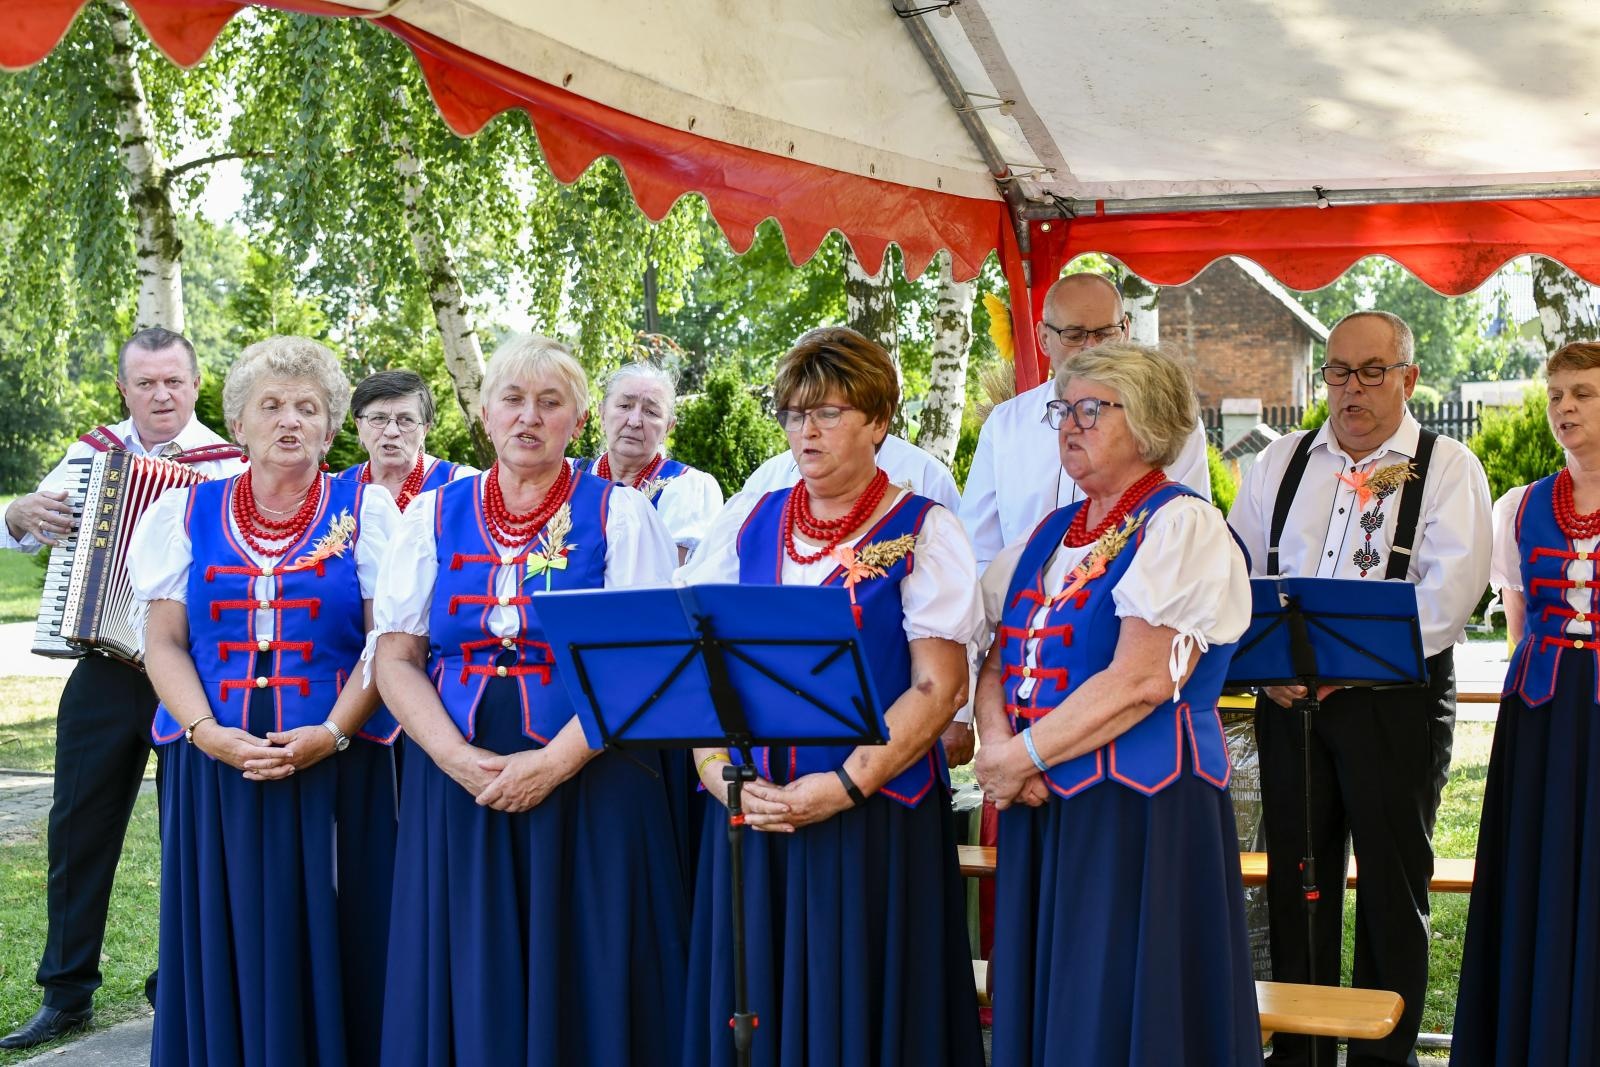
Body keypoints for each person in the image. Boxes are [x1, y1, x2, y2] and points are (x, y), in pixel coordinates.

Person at [374, 334, 685, 1066]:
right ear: (484, 414)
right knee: (468, 960)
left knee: (586, 961)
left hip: (590, 776)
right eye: (512, 399)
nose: (529, 417)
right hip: (460, 783)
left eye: (550, 403)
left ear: (579, 421)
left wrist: (554, 762)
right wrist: (453, 756)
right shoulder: (431, 516)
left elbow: (641, 663)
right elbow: (395, 656)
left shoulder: (620, 515)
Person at [680, 326, 984, 1067]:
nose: (804, 430)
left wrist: (844, 784)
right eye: (793, 413)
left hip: (872, 816)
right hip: (756, 810)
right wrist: (718, 774)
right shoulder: (748, 522)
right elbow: (696, 670)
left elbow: (938, 688)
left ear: (878, 421)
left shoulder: (925, 531)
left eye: (827, 412)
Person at [975, 341, 1260, 1065]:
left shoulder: (1183, 526)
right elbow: (992, 653)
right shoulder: (1047, 535)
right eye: (1063, 410)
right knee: (1057, 997)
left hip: (1143, 811)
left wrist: (1023, 755)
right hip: (1045, 804)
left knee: (1131, 1002)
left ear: (1151, 421)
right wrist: (1000, 749)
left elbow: (1141, 680)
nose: (1069, 425)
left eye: (1091, 410)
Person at [128, 335, 401, 1065]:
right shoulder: (186, 514)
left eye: (308, 408)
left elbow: (389, 645)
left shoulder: (369, 513)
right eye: (270, 406)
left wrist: (335, 732)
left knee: (339, 931)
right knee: (226, 928)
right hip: (216, 767)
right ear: (239, 425)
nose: (289, 420)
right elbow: (164, 643)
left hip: (337, 767)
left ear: (330, 427)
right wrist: (206, 730)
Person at [1228, 310, 1492, 1067]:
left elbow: (1448, 598)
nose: (1352, 388)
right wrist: (1268, 663)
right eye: (1338, 371)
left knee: (1389, 882)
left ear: (1408, 378)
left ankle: (1385, 1057)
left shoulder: (1448, 467)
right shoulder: (1279, 461)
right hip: (1288, 701)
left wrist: (1347, 663)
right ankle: (1302, 1051)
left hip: (1395, 704)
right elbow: (1234, 569)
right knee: (1297, 878)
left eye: (1372, 371)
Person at [0, 327, 242, 1052]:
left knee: (189, 832)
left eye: (173, 381)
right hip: (103, 664)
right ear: (124, 389)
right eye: (146, 383)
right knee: (78, 826)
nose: (161, 394)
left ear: (195, 384)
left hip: (195, 675)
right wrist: (18, 513)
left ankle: (180, 983)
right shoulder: (90, 454)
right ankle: (66, 991)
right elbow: (23, 528)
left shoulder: (229, 464)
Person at [1451, 342, 1600, 1066]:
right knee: (1538, 870)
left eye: (1584, 393)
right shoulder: (1524, 505)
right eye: (1556, 395)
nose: (1564, 407)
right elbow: (1521, 628)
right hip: (1541, 716)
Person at [959, 272, 1211, 571]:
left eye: (1105, 333)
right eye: (1075, 335)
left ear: (1126, 330)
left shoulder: (1166, 418)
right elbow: (977, 552)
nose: (1091, 348)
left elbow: (1184, 539)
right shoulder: (1004, 424)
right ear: (1043, 338)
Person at [575, 361, 723, 563]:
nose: (634, 421)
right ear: (601, 414)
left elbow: (670, 581)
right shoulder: (570, 476)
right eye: (624, 406)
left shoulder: (685, 487)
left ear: (668, 427)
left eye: (651, 412)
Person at [339, 368, 475, 509]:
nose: (391, 432)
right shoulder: (335, 489)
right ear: (359, 425)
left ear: (425, 429)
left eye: (406, 419)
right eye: (379, 418)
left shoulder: (464, 486)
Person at [740, 429, 961, 512]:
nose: (809, 429)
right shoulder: (763, 481)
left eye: (829, 413)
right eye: (797, 413)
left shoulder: (927, 474)